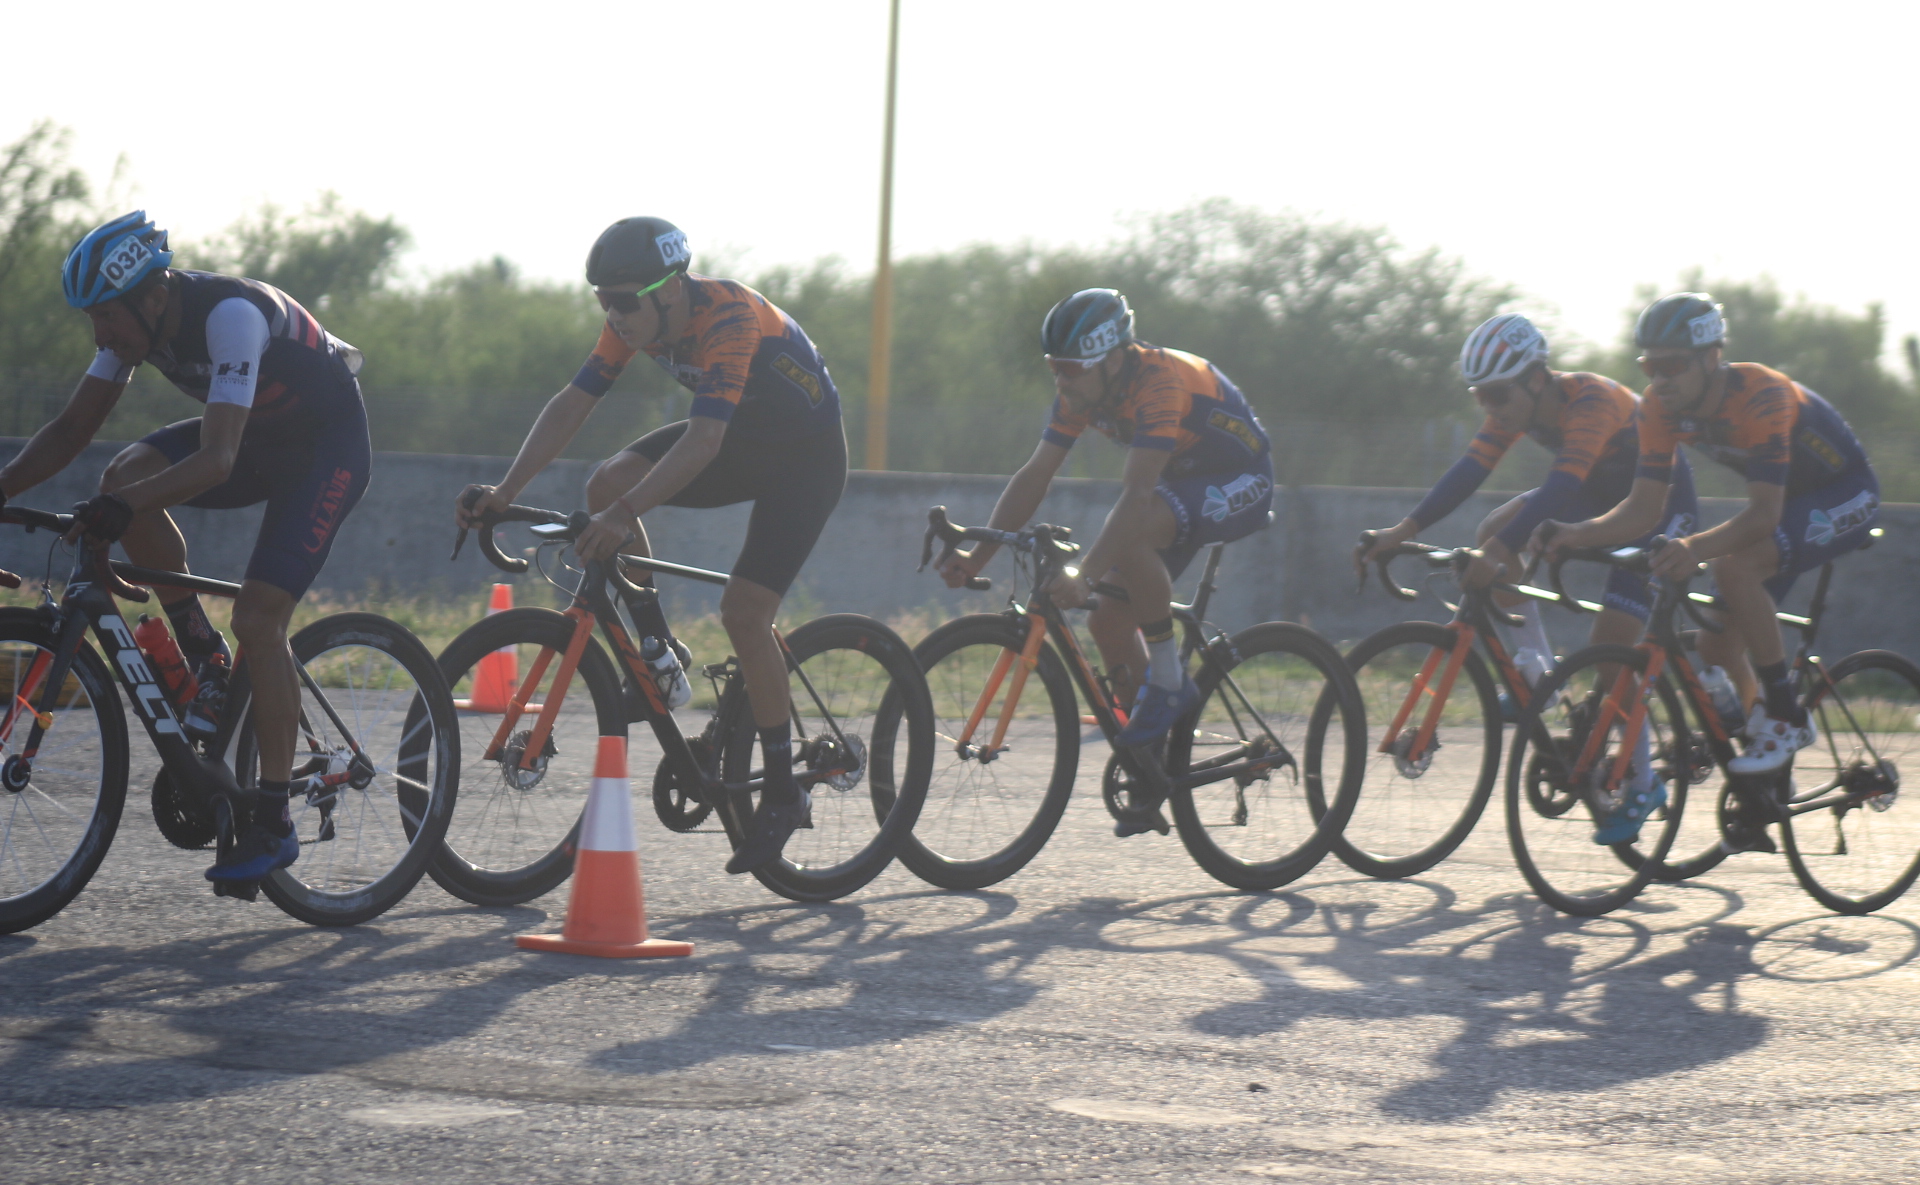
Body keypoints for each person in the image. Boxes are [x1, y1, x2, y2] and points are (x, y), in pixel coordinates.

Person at [455, 216, 846, 875]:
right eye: (603, 300)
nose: (614, 314)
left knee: (745, 612)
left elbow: (702, 443)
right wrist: (505, 488)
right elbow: (572, 403)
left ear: (671, 290)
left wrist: (625, 513)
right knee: (606, 478)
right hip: (743, 441)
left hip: (804, 460)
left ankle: (781, 790)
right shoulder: (632, 319)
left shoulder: (729, 319)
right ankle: (660, 654)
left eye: (625, 300)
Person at [0, 211, 372, 885]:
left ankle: (273, 821)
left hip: (324, 451)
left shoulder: (229, 315)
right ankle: (206, 657)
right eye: (93, 322)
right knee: (124, 476)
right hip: (260, 438)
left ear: (151, 298)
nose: (100, 336)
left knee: (260, 616)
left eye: (105, 318)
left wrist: (121, 511)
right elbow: (70, 431)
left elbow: (218, 460)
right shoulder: (133, 328)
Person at [1358, 313, 1697, 842]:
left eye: (1496, 396)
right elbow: (1469, 471)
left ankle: (1644, 779)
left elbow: (1561, 485)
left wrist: (1495, 552)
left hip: (1656, 506)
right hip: (1595, 495)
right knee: (1496, 528)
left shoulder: (1592, 401)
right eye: (1480, 398)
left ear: (1535, 379)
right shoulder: (1516, 403)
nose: (1489, 408)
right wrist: (1402, 530)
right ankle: (1534, 672)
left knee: (1610, 647)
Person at [937, 288, 1275, 764]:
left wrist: (1086, 576)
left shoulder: (1159, 384)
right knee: (1107, 619)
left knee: (1132, 535)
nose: (1061, 382)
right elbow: (1037, 474)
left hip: (1238, 478)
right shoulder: (1082, 390)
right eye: (1054, 367)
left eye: (1071, 369)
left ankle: (1169, 684)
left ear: (1113, 361)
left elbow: (1137, 498)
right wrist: (978, 557)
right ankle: (1151, 764)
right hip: (1178, 483)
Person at [1546, 292, 1880, 775]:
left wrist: (1693, 546)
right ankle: (1759, 760)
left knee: (1734, 568)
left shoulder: (1760, 395)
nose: (1659, 380)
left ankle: (1785, 715)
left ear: (1711, 357)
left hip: (1844, 493)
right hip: (1789, 506)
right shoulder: (1659, 409)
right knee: (1717, 649)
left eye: (1673, 365)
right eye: (1649, 367)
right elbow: (1642, 508)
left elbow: (1763, 516)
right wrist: (1575, 534)